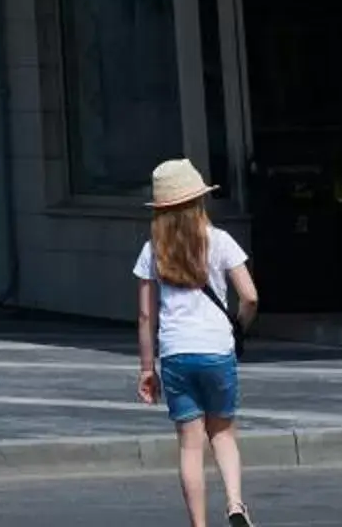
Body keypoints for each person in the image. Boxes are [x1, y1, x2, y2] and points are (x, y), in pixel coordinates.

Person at [136, 157, 258, 527]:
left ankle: (199, 525)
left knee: (191, 444)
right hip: (217, 350)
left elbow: (145, 317)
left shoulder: (152, 251)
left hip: (176, 352)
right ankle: (236, 505)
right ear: (199, 200)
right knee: (222, 434)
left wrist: (146, 368)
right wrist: (239, 327)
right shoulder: (220, 241)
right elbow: (250, 296)